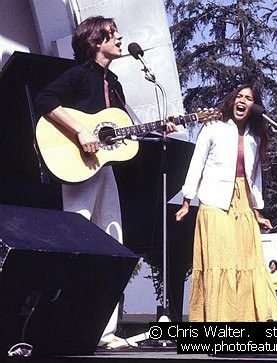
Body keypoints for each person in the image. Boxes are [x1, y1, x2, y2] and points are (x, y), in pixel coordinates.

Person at [34, 16, 176, 347]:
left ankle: (104, 331)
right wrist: (81, 130)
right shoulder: (79, 75)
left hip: (104, 166)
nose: (121, 38)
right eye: (113, 34)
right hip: (78, 166)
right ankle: (66, 325)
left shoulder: (114, 82)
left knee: (113, 242)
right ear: (96, 41)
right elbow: (44, 100)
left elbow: (124, 127)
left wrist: (161, 125)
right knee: (79, 237)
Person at [175, 84, 277, 322]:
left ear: (254, 106)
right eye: (239, 96)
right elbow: (197, 163)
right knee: (220, 260)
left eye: (249, 98)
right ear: (232, 101)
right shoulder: (213, 128)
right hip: (214, 199)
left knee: (247, 260)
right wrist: (186, 200)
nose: (242, 101)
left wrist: (258, 212)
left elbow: (255, 178)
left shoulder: (255, 138)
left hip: (244, 201)